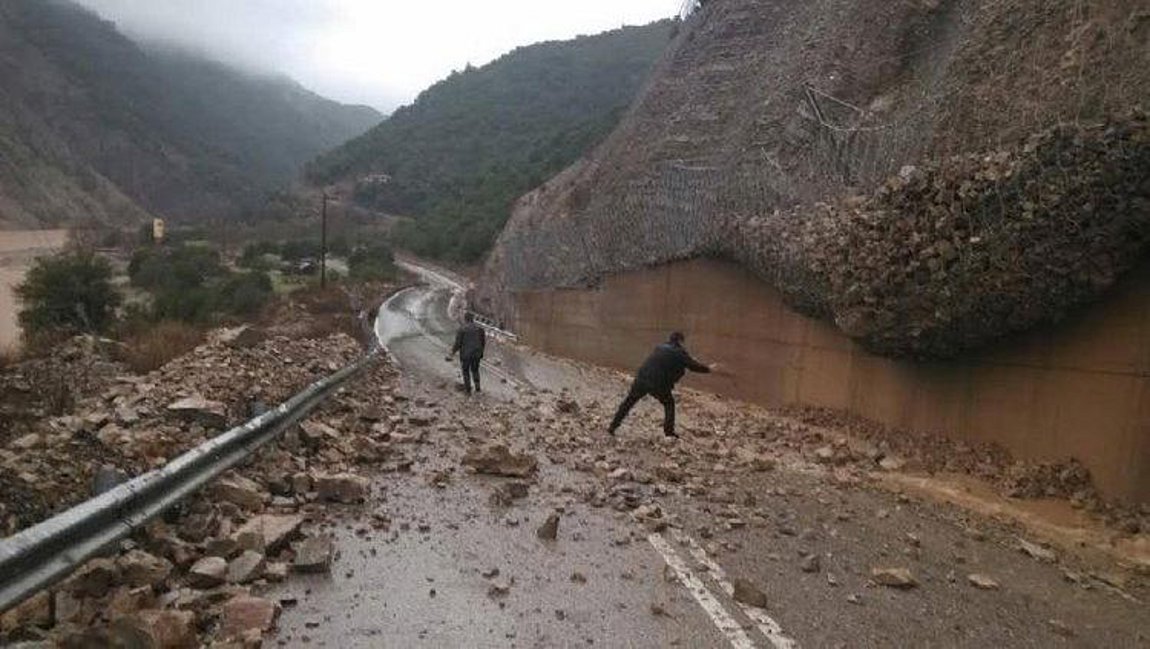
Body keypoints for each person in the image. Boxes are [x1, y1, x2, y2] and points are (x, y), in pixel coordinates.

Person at [608, 331, 720, 438]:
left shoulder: (660, 348)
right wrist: (709, 369)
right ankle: (669, 432)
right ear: (680, 341)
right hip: (658, 384)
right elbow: (693, 366)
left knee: (629, 402)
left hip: (641, 379)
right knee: (669, 404)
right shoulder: (680, 353)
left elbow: (664, 361)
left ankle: (613, 426)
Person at [447, 313, 486, 394]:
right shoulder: (480, 329)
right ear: (473, 319)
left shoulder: (462, 329)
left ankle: (468, 390)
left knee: (465, 371)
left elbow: (458, 343)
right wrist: (481, 352)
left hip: (466, 354)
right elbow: (483, 342)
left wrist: (452, 353)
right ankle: (478, 388)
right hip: (476, 353)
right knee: (475, 370)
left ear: (465, 319)